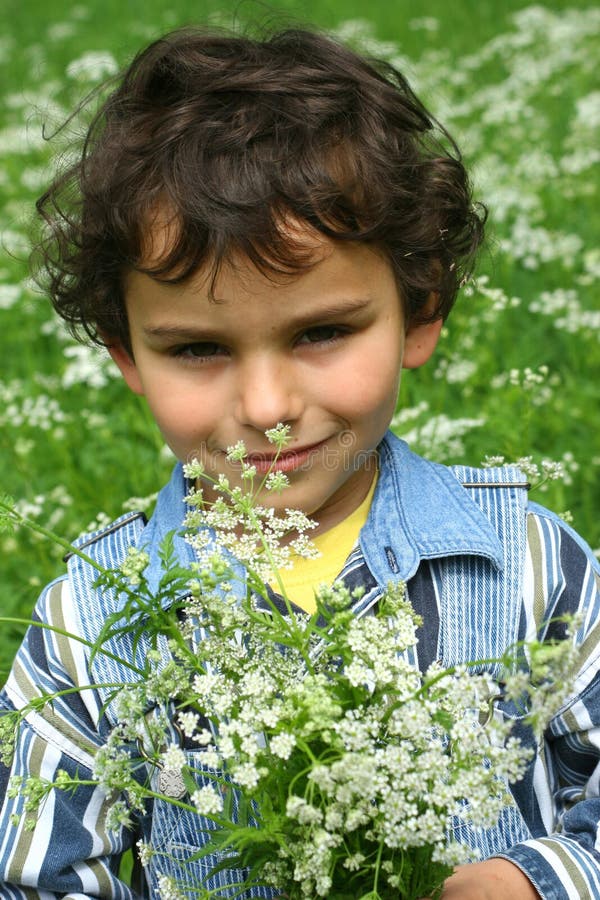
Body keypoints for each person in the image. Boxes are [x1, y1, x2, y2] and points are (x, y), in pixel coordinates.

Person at [1, 25, 599, 900]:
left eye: (322, 332)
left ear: (421, 310)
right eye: (199, 349)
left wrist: (534, 879)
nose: (270, 407)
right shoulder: (91, 626)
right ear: (125, 354)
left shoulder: (535, 568)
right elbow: (34, 877)